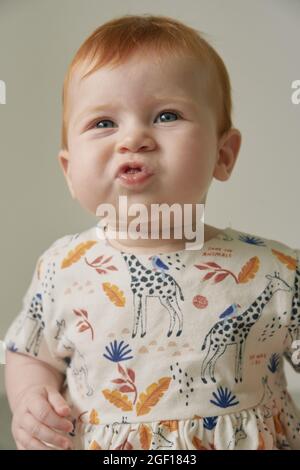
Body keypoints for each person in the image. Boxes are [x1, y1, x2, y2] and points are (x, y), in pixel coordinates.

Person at [4, 14, 300, 450]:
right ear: (70, 171)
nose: (134, 138)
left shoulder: (274, 270)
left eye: (166, 115)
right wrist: (30, 397)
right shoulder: (61, 269)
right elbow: (30, 353)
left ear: (223, 155)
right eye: (104, 123)